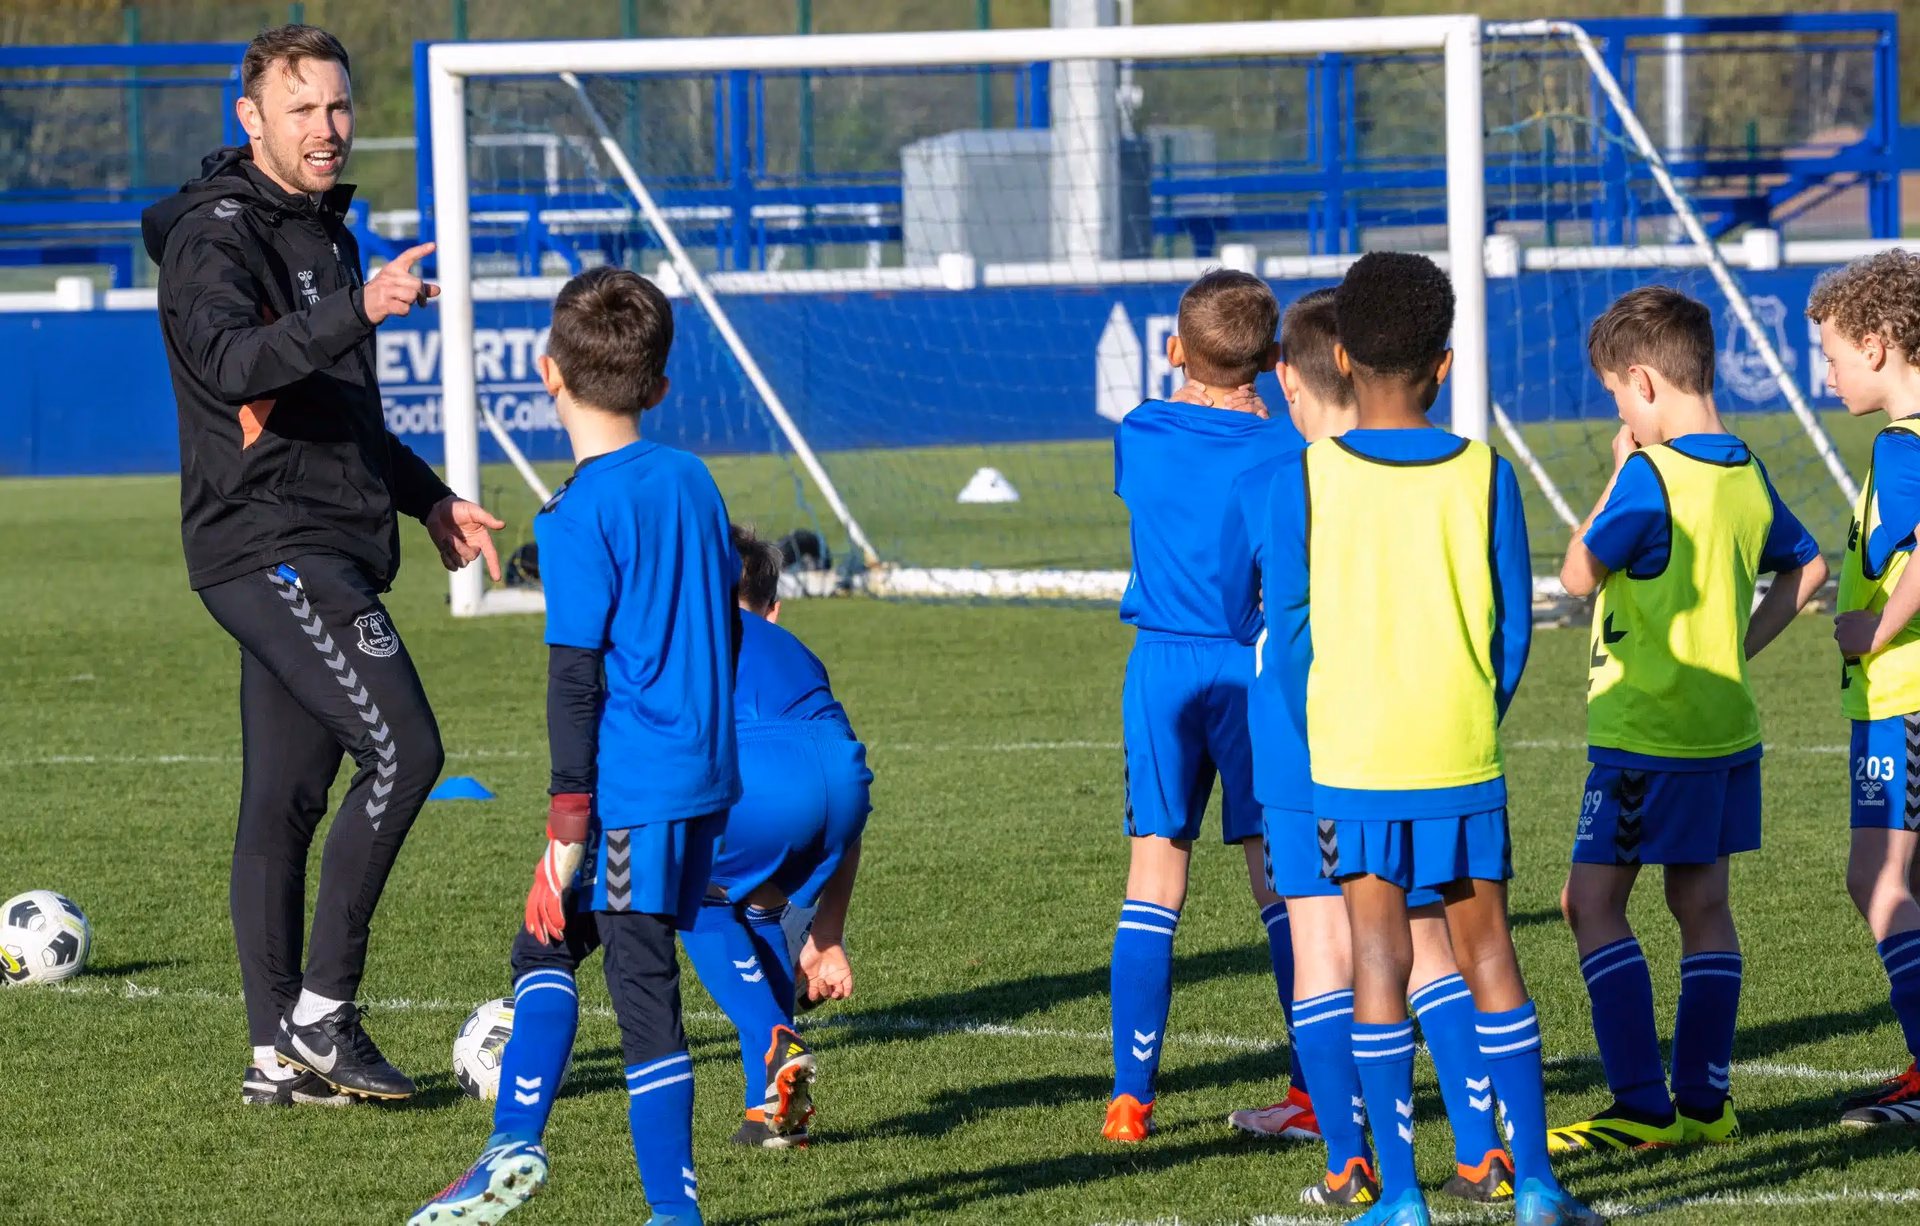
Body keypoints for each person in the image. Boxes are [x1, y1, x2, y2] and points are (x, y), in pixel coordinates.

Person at [140, 23, 504, 1106]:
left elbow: (334, 409)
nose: (329, 129)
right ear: (250, 119)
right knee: (405, 749)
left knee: (287, 799)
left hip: (327, 537)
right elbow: (228, 363)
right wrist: (360, 306)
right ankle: (322, 1016)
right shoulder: (217, 235)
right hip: (270, 544)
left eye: (340, 108)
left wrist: (429, 497)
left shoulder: (329, 234)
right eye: (304, 110)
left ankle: (274, 1056)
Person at [1259, 252, 1599, 1226]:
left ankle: (1400, 1196)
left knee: (1378, 960)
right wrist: (1472, 715)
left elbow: (1292, 634)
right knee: (1488, 952)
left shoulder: (1308, 480)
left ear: (1341, 354)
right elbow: (1514, 627)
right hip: (1457, 753)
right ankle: (1533, 1182)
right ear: (1444, 364)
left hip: (1354, 761)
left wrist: (1329, 726)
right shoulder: (1483, 472)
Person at [411, 268, 740, 1226]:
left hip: (635, 786)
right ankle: (508, 1150)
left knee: (641, 990)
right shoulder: (693, 478)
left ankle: (672, 1213)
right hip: (706, 774)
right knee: (546, 942)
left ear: (546, 374)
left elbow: (575, 681)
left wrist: (564, 830)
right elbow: (711, 623)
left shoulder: (574, 517)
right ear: (661, 388)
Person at [1220, 288, 1515, 1208]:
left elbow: (1246, 614)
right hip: (1426, 743)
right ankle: (1483, 1148)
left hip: (1309, 745)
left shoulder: (1282, 481)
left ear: (1308, 377)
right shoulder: (1455, 472)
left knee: (1325, 950)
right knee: (1430, 949)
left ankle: (1350, 1160)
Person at [1550, 288, 1826, 1153]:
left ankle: (1639, 1105)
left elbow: (1576, 575)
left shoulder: (1651, 474)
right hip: (1726, 728)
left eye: (1616, 397)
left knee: (1589, 902)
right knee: (1702, 903)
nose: (1620, 414)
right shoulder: (1743, 465)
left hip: (1650, 731)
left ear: (1641, 383)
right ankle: (1706, 1103)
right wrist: (1742, 646)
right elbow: (1808, 566)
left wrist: (1616, 466)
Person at [1104, 269, 1315, 1143]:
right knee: (1282, 882)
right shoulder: (1283, 453)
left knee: (1154, 878)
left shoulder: (1141, 431)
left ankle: (1130, 1099)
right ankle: (1309, 1094)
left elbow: (1179, 424)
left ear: (1171, 349)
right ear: (1272, 359)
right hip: (1252, 663)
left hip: (1160, 668)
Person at [680, 525, 872, 1150]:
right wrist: (828, 937)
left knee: (695, 897)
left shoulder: (694, 634)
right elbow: (847, 787)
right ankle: (769, 1114)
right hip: (842, 780)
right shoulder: (795, 647)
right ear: (774, 606)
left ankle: (774, 1038)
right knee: (761, 905)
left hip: (761, 776)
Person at [1813, 251, 1920, 1128]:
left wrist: (1875, 628)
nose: (1827, 372)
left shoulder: (1902, 442)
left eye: (1834, 353)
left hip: (1902, 697)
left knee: (1877, 878)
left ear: (1880, 346)